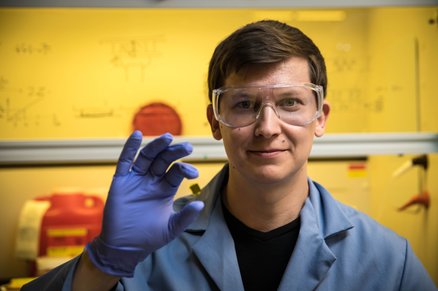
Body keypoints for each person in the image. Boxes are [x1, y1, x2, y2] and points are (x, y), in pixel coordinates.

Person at [23, 20, 436, 291]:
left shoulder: (387, 261)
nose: (268, 127)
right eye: (243, 104)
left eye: (291, 102)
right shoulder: (150, 244)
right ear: (215, 120)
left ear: (320, 117)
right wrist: (103, 263)